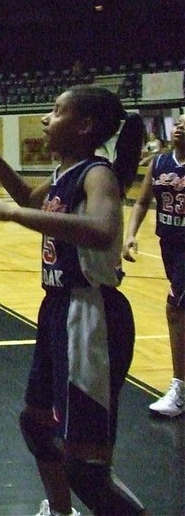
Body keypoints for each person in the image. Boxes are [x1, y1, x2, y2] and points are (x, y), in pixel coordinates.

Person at [0, 86, 146, 516]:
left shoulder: (97, 173)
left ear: (83, 126)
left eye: (57, 111)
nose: (46, 118)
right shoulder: (66, 173)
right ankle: (62, 512)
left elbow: (101, 228)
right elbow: (27, 196)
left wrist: (11, 215)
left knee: (87, 469)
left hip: (91, 315)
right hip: (58, 311)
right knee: (37, 425)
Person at [123, 113, 185, 418]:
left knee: (175, 309)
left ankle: (180, 389)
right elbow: (141, 201)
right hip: (170, 247)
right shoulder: (159, 163)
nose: (181, 125)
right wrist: (130, 235)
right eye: (180, 120)